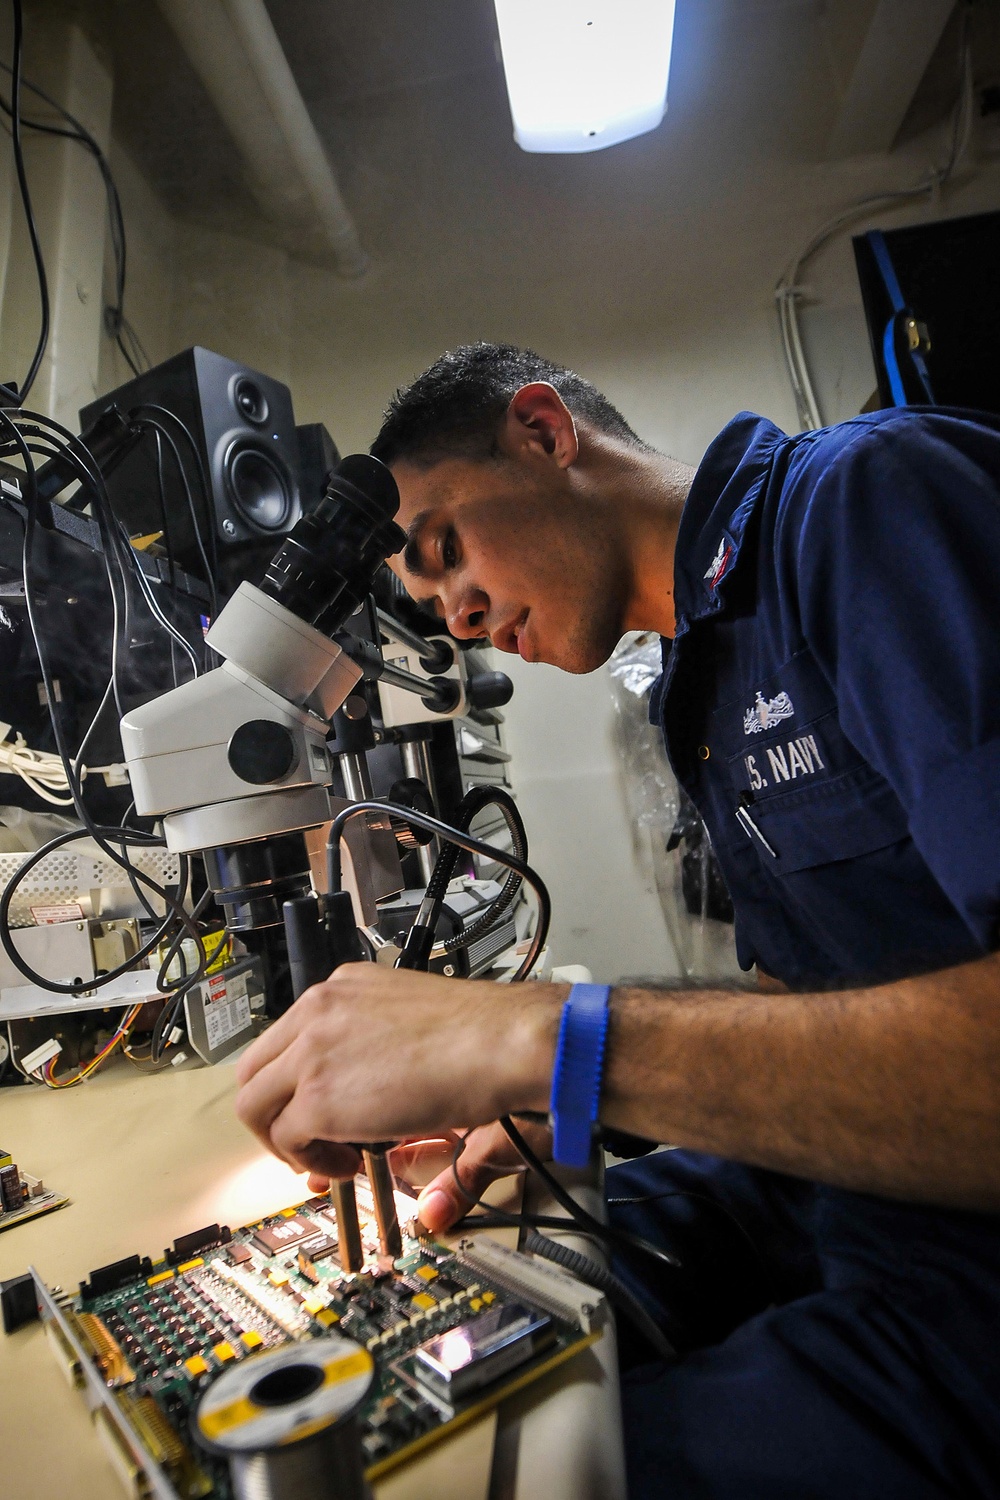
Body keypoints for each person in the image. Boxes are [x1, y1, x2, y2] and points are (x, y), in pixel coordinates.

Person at [235, 343, 1000, 1498]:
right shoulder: (700, 677)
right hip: (846, 1191)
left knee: (516, 1481)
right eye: (434, 607)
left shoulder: (866, 503)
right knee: (486, 1281)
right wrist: (590, 1105)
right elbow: (815, 1018)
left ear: (544, 432)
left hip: (967, 1274)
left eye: (445, 548)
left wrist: (550, 1036)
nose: (462, 611)